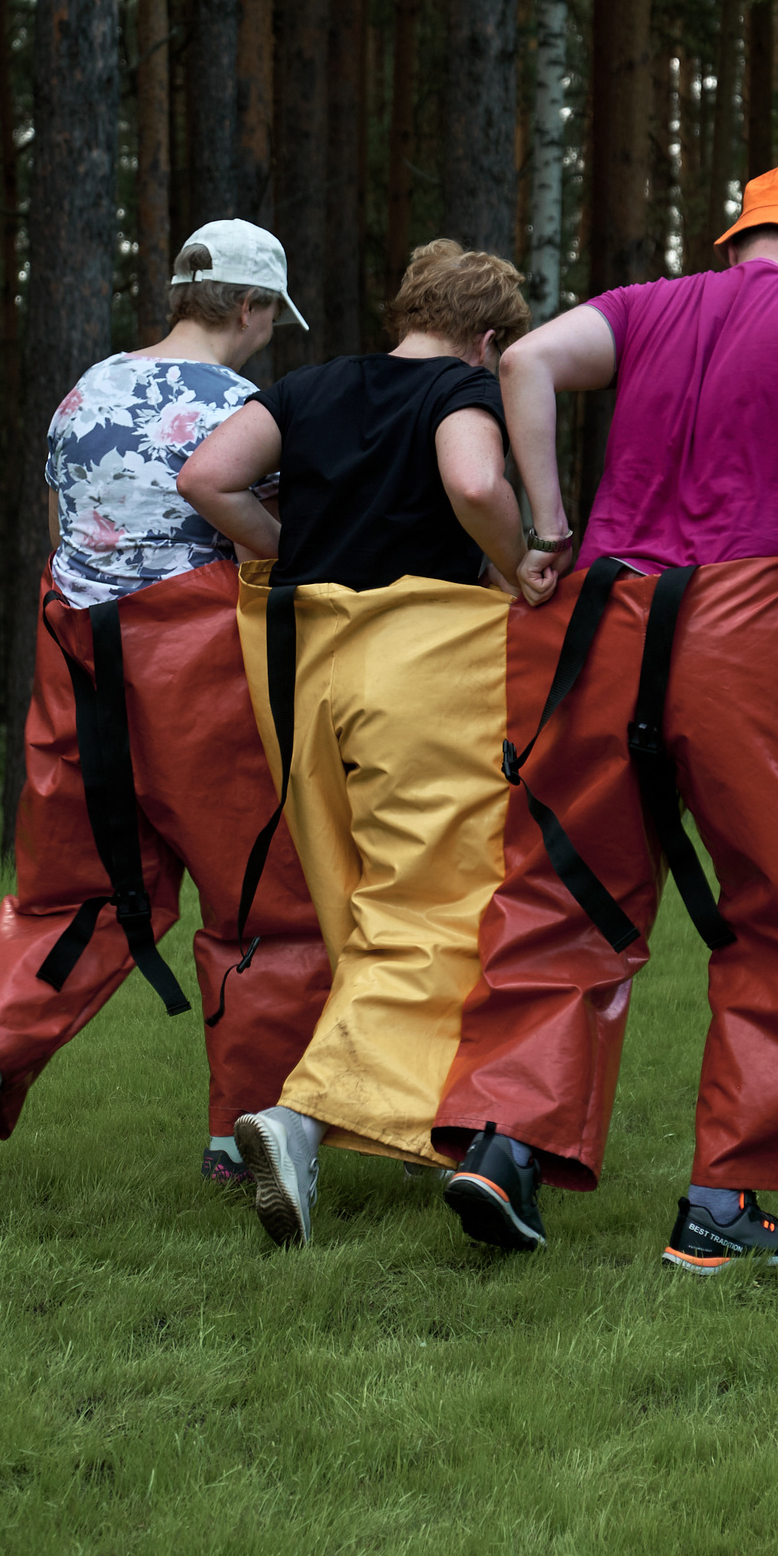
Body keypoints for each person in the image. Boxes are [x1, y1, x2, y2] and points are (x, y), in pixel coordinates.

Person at [435, 166, 778, 1268]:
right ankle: (720, 1206)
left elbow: (522, 360)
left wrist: (549, 523)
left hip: (600, 616)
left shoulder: (650, 304)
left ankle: (505, 1139)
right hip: (739, 625)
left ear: (737, 238)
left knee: (562, 883)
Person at [0, 221, 334, 1188]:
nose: (272, 331)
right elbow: (268, 543)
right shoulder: (248, 407)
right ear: (249, 306)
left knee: (71, 893)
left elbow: (66, 533)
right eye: (272, 313)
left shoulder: (85, 393)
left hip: (76, 658)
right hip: (199, 672)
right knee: (261, 909)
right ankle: (244, 1142)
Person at [179, 240, 568, 1250]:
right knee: (437, 900)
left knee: (360, 900)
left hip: (310, 670)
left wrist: (289, 548)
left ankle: (425, 1117)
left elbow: (208, 475)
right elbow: (475, 484)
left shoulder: (308, 386)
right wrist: (519, 557)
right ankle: (304, 1118)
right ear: (487, 340)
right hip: (426, 673)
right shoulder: (459, 392)